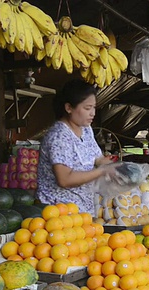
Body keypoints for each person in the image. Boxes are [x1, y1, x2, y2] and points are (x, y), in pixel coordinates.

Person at [37, 79, 115, 215]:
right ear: (68, 108)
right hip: (59, 214)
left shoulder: (86, 129)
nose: (93, 113)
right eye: (87, 108)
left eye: (94, 107)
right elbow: (65, 179)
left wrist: (115, 166)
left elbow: (97, 158)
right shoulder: (59, 137)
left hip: (83, 212)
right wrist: (102, 171)